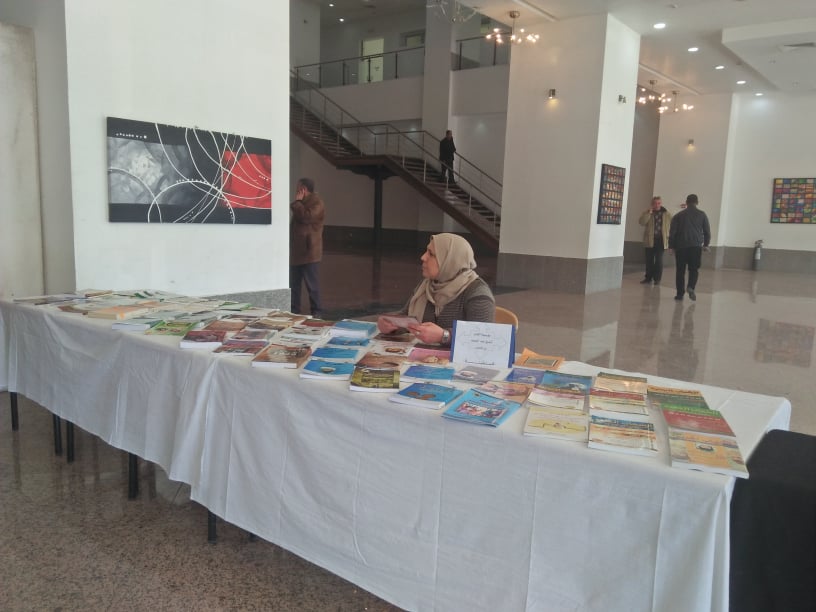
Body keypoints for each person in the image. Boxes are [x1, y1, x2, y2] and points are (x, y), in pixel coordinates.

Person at [377, 233, 495, 346]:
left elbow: (482, 338)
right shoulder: (427, 285)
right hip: (425, 356)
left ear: (449, 260)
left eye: (431, 254)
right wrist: (391, 325)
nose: (423, 257)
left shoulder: (477, 293)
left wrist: (444, 336)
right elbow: (407, 317)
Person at [290, 177, 325, 317]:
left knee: (312, 284)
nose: (296, 191)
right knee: (294, 283)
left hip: (309, 251)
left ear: (303, 189)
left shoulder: (317, 202)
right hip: (297, 251)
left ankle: (317, 312)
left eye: (298, 188)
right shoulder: (304, 203)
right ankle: (294, 310)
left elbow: (306, 217)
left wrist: (298, 203)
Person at [668, 193, 710, 301]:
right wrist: (706, 244)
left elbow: (672, 232)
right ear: (697, 202)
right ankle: (691, 286)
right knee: (694, 269)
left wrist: (671, 246)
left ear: (686, 202)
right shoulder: (702, 215)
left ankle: (679, 294)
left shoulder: (678, 215)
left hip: (681, 247)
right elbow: (707, 232)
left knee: (680, 271)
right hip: (695, 247)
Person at [638, 195, 672, 285]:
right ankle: (648, 278)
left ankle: (657, 279)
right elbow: (641, 222)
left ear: (661, 203)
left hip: (661, 240)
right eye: (655, 203)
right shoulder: (647, 212)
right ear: (652, 204)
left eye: (659, 203)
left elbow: (672, 224)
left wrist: (670, 238)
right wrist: (649, 213)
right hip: (649, 240)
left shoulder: (666, 214)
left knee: (659, 260)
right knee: (649, 260)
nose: (657, 205)